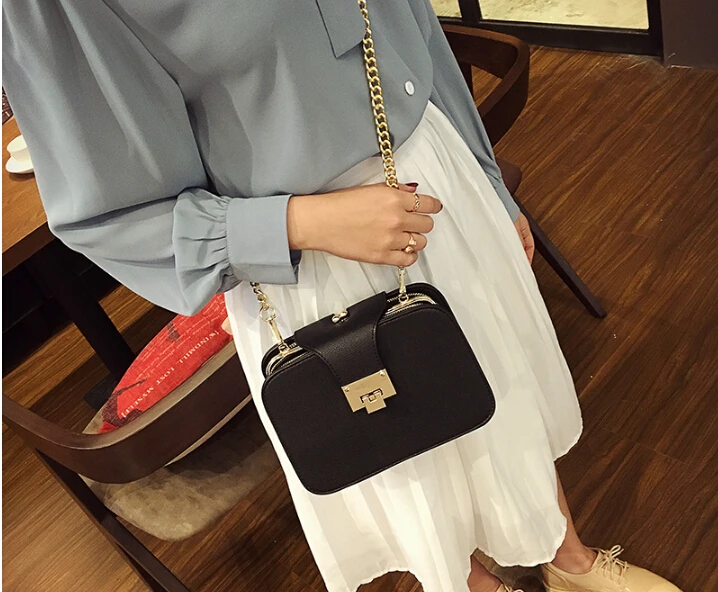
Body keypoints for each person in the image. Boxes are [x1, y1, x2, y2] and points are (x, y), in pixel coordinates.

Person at [3, 2, 683, 591]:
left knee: (508, 393)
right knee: (406, 454)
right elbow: (108, 214)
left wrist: (487, 179)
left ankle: (567, 560)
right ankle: (472, 583)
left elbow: (412, 28)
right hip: (312, 257)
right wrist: (301, 223)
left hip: (439, 182)